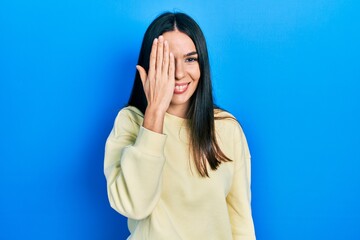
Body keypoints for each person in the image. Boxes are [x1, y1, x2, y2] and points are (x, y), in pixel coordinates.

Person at [104, 12, 256, 240]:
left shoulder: (227, 129)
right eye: (166, 61)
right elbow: (133, 205)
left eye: (190, 59)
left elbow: (240, 219)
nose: (178, 73)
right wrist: (155, 112)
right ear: (149, 66)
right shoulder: (130, 123)